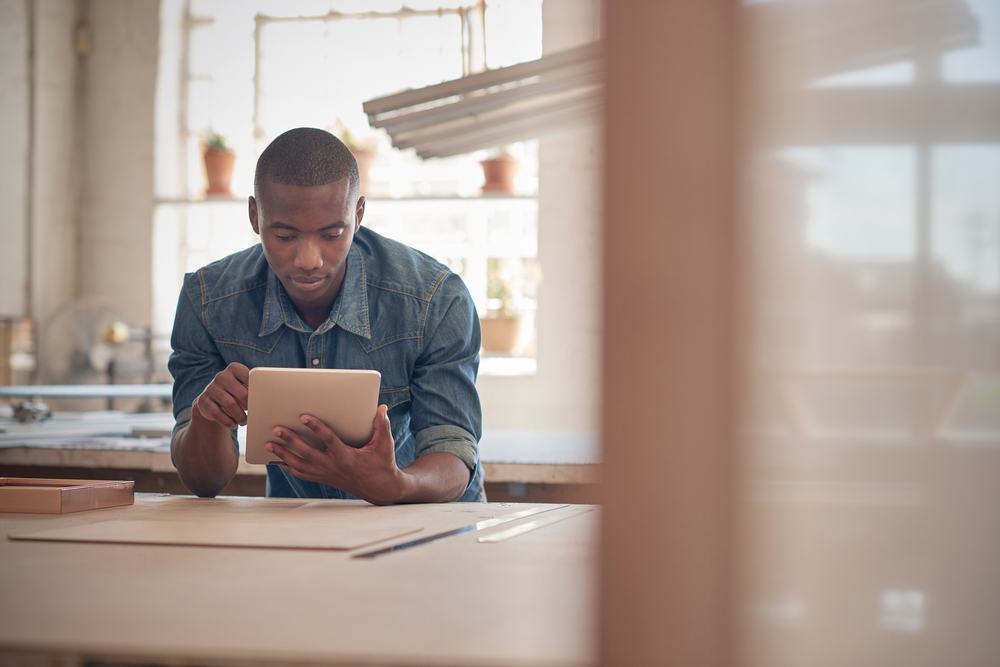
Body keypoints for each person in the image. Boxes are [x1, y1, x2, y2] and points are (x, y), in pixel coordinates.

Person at [168, 127, 484, 504]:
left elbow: (453, 449)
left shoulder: (434, 299)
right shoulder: (208, 302)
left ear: (358, 214)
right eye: (284, 236)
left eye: (332, 235)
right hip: (303, 532)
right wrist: (206, 420)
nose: (308, 261)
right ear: (255, 216)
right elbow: (204, 482)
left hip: (431, 527)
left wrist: (398, 486)